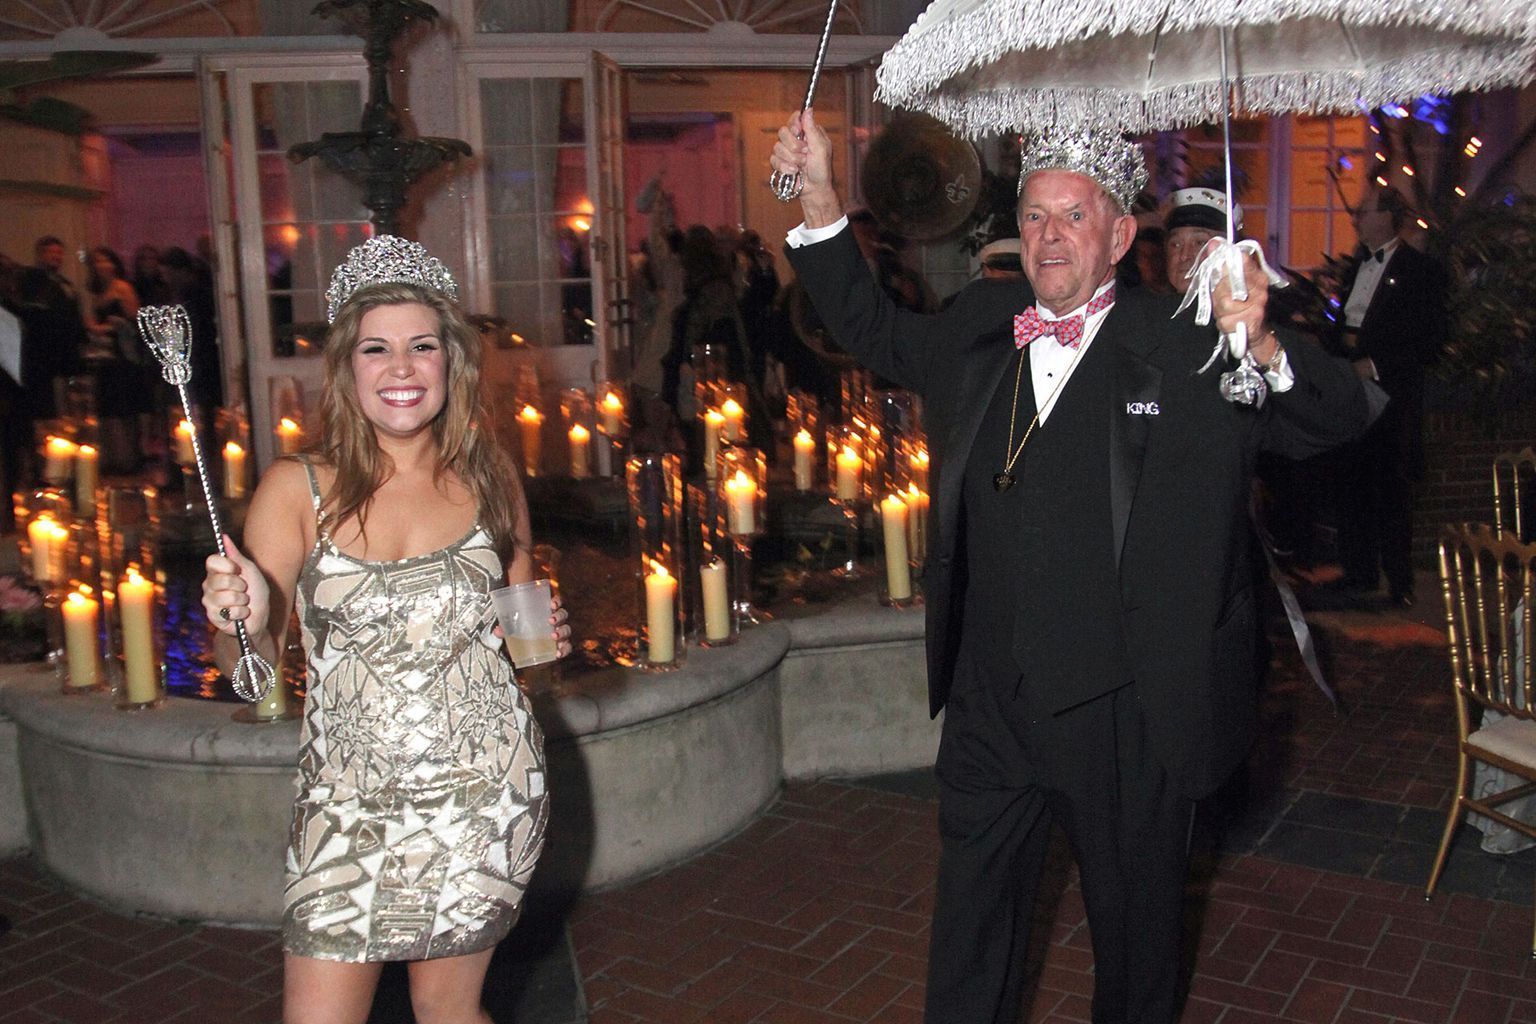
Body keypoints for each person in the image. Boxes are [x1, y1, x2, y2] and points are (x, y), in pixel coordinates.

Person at [771, 112, 1369, 1024]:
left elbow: (1338, 417)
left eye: (1074, 216)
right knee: (971, 928)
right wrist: (818, 194)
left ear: (1122, 235)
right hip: (992, 701)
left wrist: (1266, 345)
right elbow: (873, 329)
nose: (1050, 236)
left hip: (1126, 706)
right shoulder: (983, 324)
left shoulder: (1188, 340)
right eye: (1037, 215)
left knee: (1134, 949)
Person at [200, 236, 566, 1024]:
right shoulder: (295, 488)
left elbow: (526, 628)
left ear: (450, 363)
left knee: (449, 1015)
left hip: (484, 795)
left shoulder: (490, 475)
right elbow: (250, 672)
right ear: (347, 368)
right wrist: (244, 622)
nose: (401, 368)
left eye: (421, 347)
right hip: (345, 806)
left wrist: (543, 633)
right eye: (377, 349)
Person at [1332, 185, 1448, 607]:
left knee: (1391, 488)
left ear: (1388, 216)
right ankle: (1358, 574)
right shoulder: (1355, 267)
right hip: (1351, 388)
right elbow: (1345, 322)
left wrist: (1376, 364)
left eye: (1364, 210)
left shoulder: (1421, 271)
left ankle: (1400, 583)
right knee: (1354, 480)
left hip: (1391, 394)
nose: (1356, 217)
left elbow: (1429, 339)